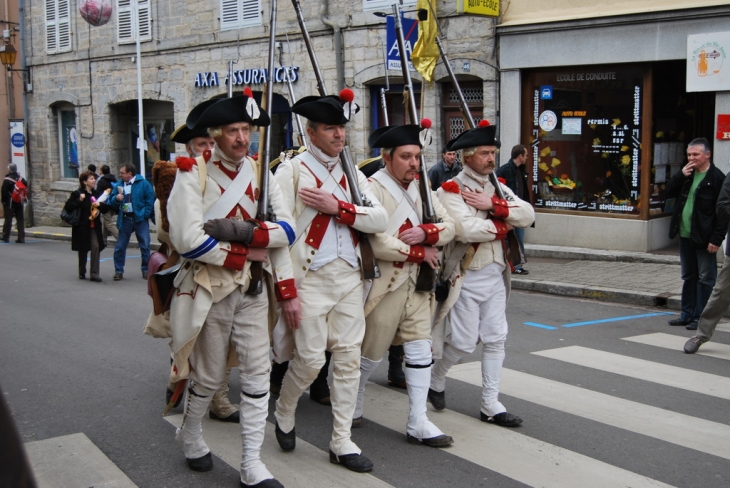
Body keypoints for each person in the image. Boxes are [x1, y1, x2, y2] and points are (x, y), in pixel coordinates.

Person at [167, 93, 300, 488]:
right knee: (207, 378)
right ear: (216, 135)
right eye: (233, 131)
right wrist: (247, 253)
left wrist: (245, 233)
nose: (243, 138)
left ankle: (251, 463)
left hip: (256, 291)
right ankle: (190, 433)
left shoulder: (263, 173)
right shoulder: (194, 172)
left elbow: (289, 230)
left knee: (259, 376)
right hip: (212, 288)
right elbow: (187, 239)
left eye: (247, 130)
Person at [272, 90, 388, 473]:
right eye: (330, 128)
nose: (340, 135)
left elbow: (379, 220)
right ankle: (285, 408)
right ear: (311, 131)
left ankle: (341, 440)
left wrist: (338, 207)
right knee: (307, 361)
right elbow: (279, 234)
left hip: (350, 277)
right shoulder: (290, 171)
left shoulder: (353, 174)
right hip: (309, 279)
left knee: (349, 360)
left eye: (341, 127)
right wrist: (286, 290)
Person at [352, 123, 455, 447]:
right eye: (407, 157)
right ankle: (352, 399)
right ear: (387, 157)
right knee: (370, 352)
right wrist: (418, 252)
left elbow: (449, 226)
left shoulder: (424, 187)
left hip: (418, 286)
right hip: (387, 285)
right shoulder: (371, 188)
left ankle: (418, 421)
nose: (414, 163)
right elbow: (377, 242)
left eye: (417, 157)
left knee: (419, 348)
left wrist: (428, 234)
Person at [429, 120, 535, 427]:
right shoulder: (451, 190)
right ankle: (437, 378)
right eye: (486, 152)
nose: (491, 158)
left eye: (493, 152)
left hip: (497, 273)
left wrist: (495, 205)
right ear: (468, 156)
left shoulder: (497, 188)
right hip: (466, 277)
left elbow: (528, 214)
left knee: (496, 338)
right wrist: (504, 225)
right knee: (462, 342)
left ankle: (490, 404)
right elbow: (464, 230)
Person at [156, 120, 239, 423]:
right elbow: (167, 234)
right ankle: (177, 377)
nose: (208, 149)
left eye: (211, 143)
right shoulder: (180, 179)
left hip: (227, 268)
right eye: (202, 144)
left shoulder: (232, 178)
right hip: (189, 265)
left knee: (225, 338)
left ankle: (218, 397)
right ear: (190, 148)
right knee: (187, 334)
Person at [666, 138, 727, 331]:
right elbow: (668, 193)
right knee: (688, 276)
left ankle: (700, 317)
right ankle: (686, 314)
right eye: (689, 154)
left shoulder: (717, 178)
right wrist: (679, 176)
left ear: (707, 155)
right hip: (685, 234)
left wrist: (716, 238)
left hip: (705, 237)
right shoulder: (687, 175)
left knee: (705, 278)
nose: (691, 158)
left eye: (696, 154)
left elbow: (723, 212)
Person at [108, 163, 155, 281]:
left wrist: (145, 214)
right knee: (120, 246)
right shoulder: (119, 184)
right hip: (125, 218)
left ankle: (145, 270)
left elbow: (150, 199)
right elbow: (111, 200)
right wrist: (116, 199)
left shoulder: (143, 183)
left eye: (122, 173)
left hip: (139, 218)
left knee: (145, 246)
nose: (120, 175)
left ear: (130, 174)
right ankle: (118, 271)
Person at [63, 170, 107, 281]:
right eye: (91, 179)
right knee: (83, 250)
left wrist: (100, 205)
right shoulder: (77, 193)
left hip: (94, 226)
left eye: (94, 178)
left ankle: (94, 274)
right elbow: (68, 207)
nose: (94, 180)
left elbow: (106, 208)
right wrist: (79, 200)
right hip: (82, 227)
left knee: (96, 246)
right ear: (84, 182)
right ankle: (82, 271)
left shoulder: (97, 194)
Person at [496, 144, 533, 275]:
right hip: (509, 212)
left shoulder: (521, 171)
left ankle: (517, 265)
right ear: (520, 156)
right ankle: (510, 265)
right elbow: (495, 187)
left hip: (520, 211)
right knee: (510, 239)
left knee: (519, 238)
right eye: (526, 155)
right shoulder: (504, 170)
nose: (527, 158)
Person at [2, 163, 27, 243]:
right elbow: (25, 188)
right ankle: (21, 238)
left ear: (10, 170)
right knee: (20, 220)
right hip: (20, 202)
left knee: (8, 220)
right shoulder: (21, 179)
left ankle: (6, 237)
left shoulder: (7, 180)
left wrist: (4, 202)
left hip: (10, 203)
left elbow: (4, 192)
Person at [96, 165, 118, 246]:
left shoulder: (102, 181)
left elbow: (98, 193)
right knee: (105, 222)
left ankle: (120, 239)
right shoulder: (114, 180)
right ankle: (103, 240)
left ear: (102, 171)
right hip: (113, 203)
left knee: (108, 223)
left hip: (105, 205)